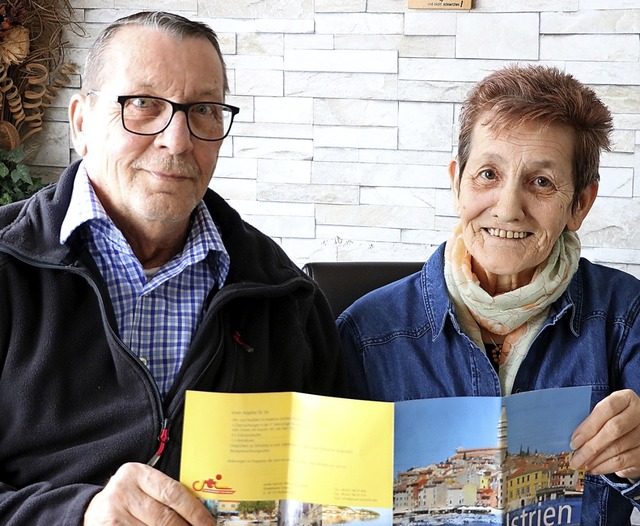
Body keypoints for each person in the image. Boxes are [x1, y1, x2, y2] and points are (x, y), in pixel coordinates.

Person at [0, 11, 346, 526]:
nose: (178, 140)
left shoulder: (285, 295)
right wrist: (80, 515)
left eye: (203, 110)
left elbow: (333, 489)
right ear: (80, 122)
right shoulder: (8, 268)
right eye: (142, 104)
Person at [338, 64, 640, 524]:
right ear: (457, 181)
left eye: (541, 182)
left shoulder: (627, 318)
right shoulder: (365, 333)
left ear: (579, 204)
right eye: (487, 174)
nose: (507, 208)